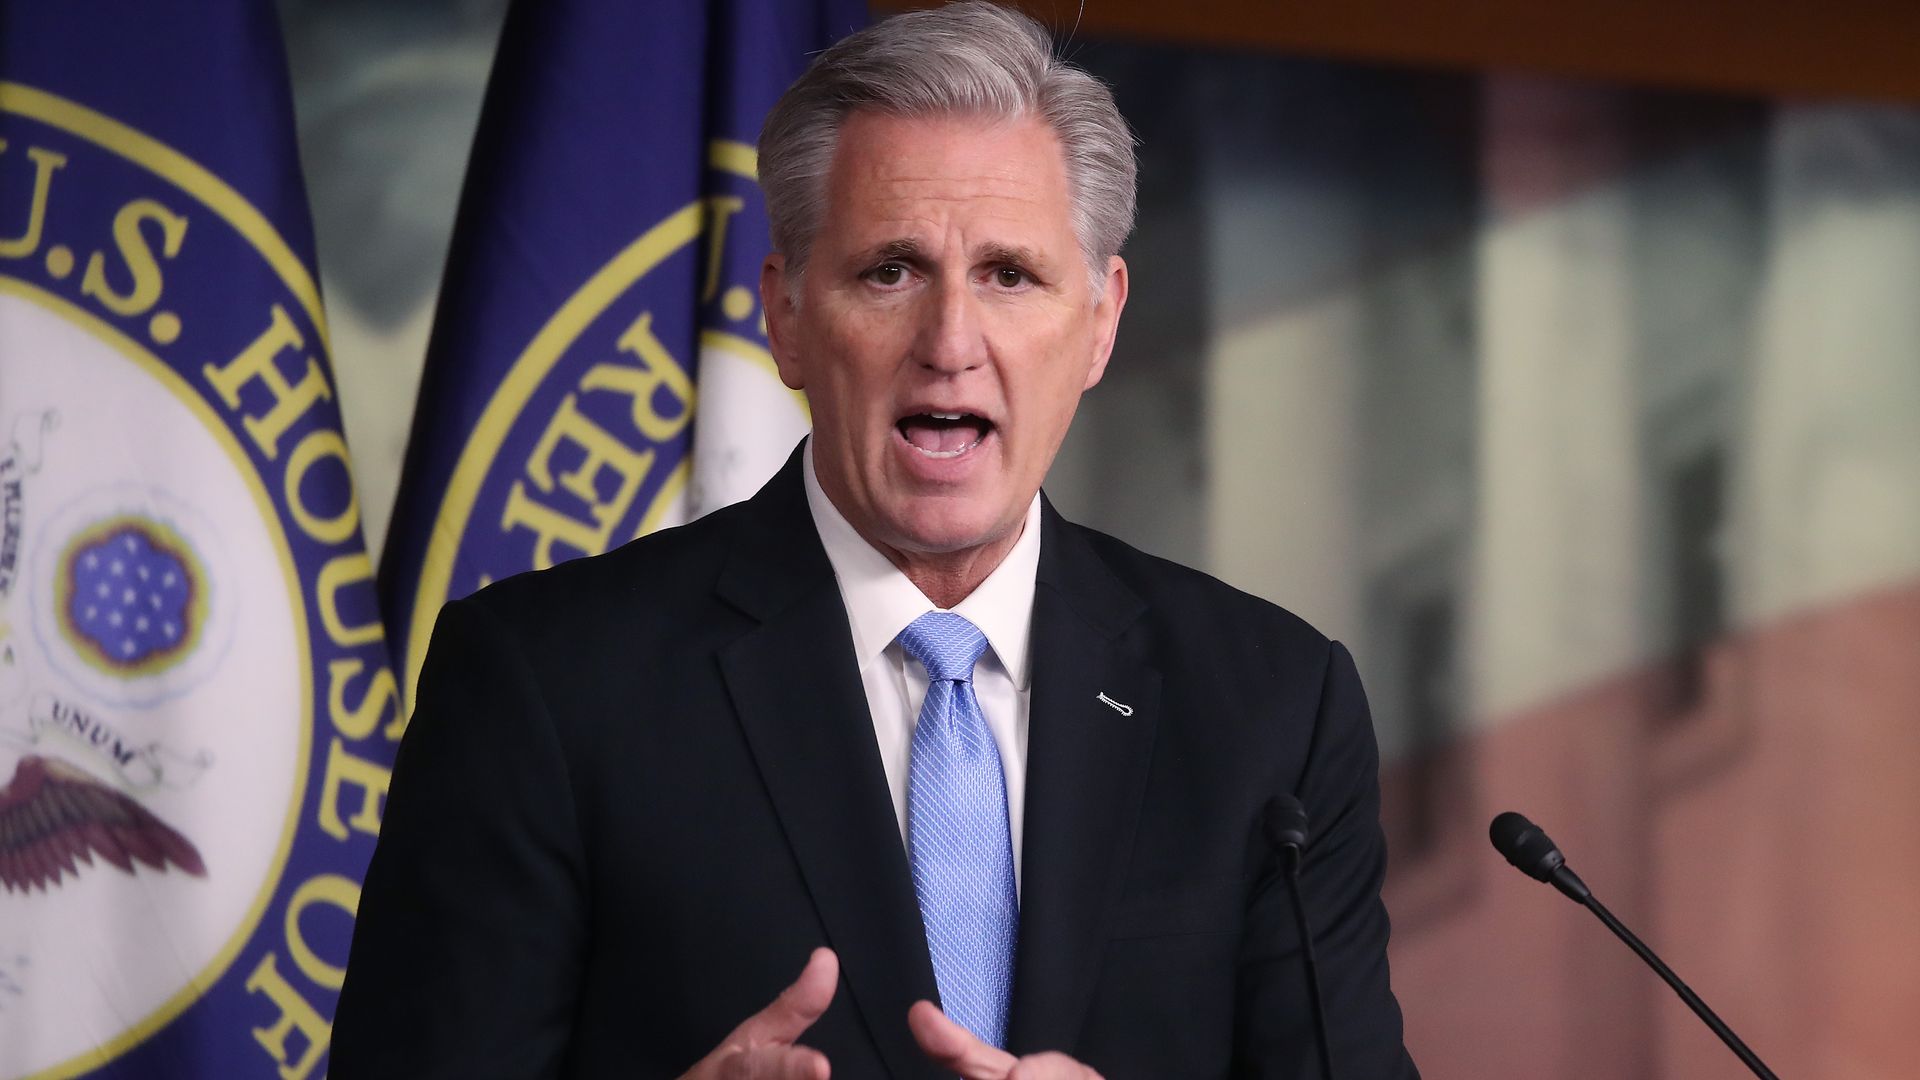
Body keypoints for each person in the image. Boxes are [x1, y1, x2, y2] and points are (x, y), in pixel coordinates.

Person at [330, 4, 1417, 1077]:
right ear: (788, 317)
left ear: (1100, 322)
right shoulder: (547, 689)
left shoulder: (1272, 709)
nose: (951, 342)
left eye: (1010, 275)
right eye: (890, 271)